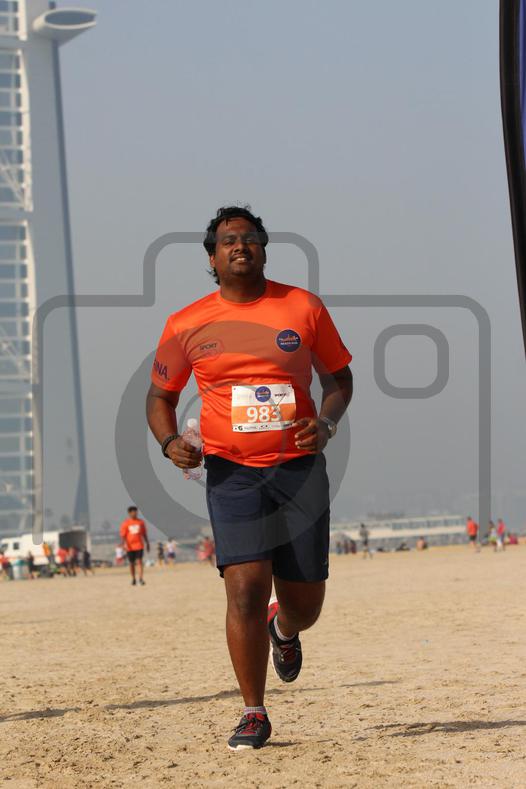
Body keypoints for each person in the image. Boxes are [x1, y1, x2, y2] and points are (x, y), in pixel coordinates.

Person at [147, 206, 353, 750]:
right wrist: (169, 443)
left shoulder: (303, 307)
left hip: (299, 470)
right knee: (244, 588)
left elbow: (340, 379)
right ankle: (253, 712)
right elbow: (160, 397)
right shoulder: (187, 323)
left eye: (250, 237)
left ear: (263, 248)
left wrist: (326, 424)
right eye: (228, 240)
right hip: (232, 473)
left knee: (306, 604)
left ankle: (283, 629)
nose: (240, 245)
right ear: (212, 258)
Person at [120, 506, 150, 586]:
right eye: (133, 512)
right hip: (129, 547)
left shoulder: (141, 522)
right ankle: (133, 578)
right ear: (129, 513)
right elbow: (123, 535)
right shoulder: (126, 523)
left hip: (139, 545)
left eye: (136, 512)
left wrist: (147, 543)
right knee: (131, 563)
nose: (135, 514)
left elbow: (144, 534)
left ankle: (141, 579)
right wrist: (123, 544)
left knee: (139, 561)